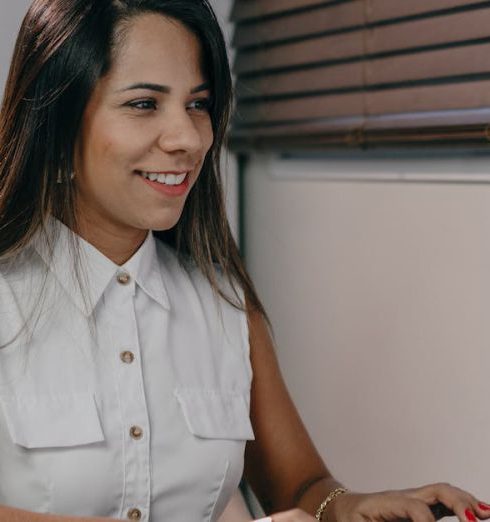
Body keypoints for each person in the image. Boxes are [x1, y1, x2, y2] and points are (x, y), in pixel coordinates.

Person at [0, 1, 487, 521]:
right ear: (56, 120)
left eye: (198, 104)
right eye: (144, 104)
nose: (188, 138)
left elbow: (302, 487)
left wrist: (349, 508)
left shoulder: (223, 301)